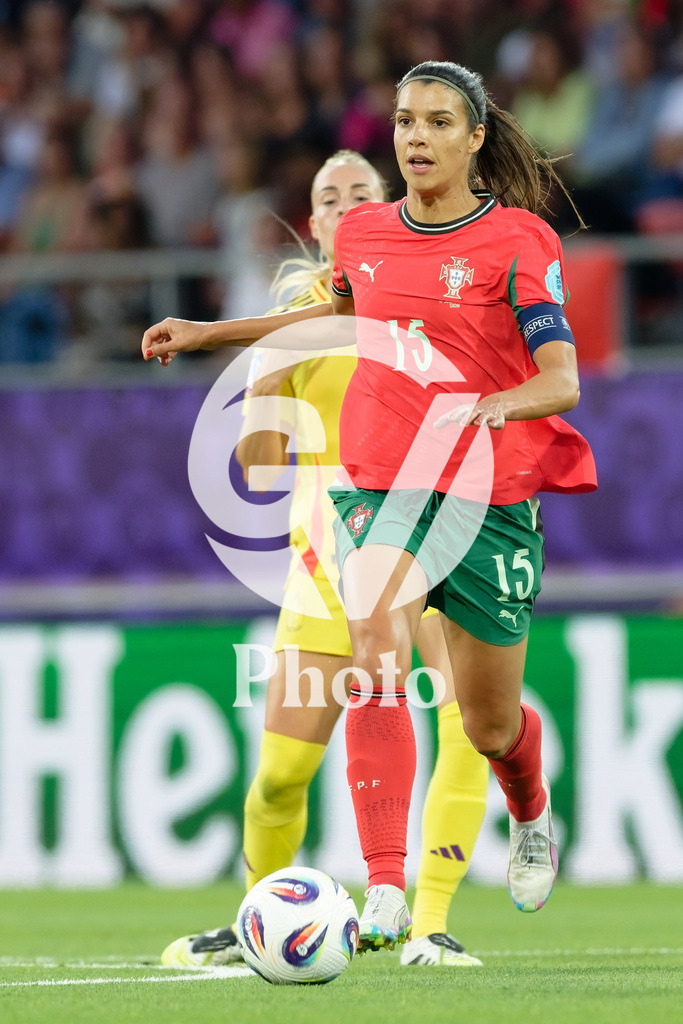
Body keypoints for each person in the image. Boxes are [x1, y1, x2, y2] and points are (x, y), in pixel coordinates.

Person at [142, 61, 597, 951]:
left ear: (473, 139)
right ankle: (384, 888)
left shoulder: (518, 240)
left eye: (435, 122)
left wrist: (494, 405)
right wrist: (212, 334)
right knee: (376, 650)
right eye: (403, 120)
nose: (416, 136)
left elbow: (562, 379)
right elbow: (322, 322)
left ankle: (530, 808)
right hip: (383, 482)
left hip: (487, 494)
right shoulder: (363, 237)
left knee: (489, 724)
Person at [159, 149, 488, 969]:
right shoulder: (298, 325)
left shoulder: (424, 301)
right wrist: (267, 374)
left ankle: (431, 925)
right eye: (329, 196)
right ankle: (254, 925)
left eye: (360, 193)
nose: (344, 204)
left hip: (431, 549)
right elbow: (262, 467)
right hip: (326, 571)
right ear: (314, 223)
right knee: (277, 778)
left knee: (461, 730)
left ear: (387, 207)